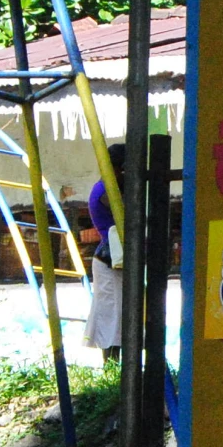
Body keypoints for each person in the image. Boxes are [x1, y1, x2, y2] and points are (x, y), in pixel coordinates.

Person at [81, 144, 128, 360]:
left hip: (114, 259)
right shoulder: (105, 191)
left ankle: (114, 365)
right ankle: (110, 365)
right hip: (109, 260)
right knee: (112, 315)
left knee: (117, 314)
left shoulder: (107, 188)